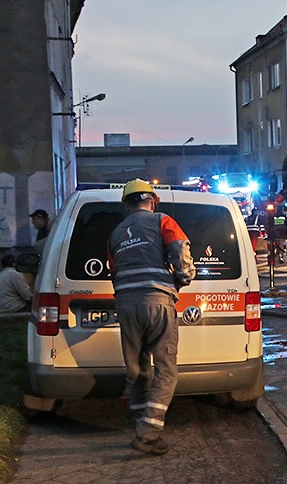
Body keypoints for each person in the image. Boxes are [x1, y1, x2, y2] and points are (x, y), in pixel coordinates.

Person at [107, 178, 195, 455]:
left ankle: (139, 422)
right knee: (166, 371)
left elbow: (113, 270)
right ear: (153, 201)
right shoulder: (163, 220)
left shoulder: (115, 234)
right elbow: (180, 249)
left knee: (136, 370)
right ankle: (148, 435)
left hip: (126, 304)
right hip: (158, 302)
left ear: (125, 204)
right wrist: (184, 277)